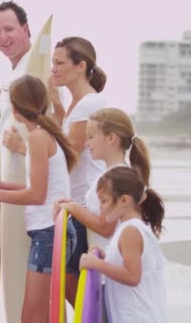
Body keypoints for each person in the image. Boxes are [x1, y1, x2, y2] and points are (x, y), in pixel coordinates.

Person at [3, 37, 108, 305]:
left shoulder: (88, 105)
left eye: (59, 63)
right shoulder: (76, 104)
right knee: (72, 289)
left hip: (83, 206)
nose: (53, 69)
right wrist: (57, 105)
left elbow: (66, 157)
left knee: (75, 290)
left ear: (81, 66)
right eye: (52, 62)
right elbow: (62, 145)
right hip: (74, 205)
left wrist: (22, 147)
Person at [0, 75, 78, 323]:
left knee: (32, 316)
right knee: (38, 314)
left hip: (49, 233)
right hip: (52, 232)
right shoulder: (42, 135)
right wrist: (0, 185)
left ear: (16, 107)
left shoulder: (37, 137)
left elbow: (36, 195)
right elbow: (37, 187)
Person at [53, 107, 152, 252]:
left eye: (91, 137)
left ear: (111, 138)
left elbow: (105, 228)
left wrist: (73, 208)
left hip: (111, 263)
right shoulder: (122, 173)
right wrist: (73, 205)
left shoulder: (118, 178)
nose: (87, 143)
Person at [79, 166, 168, 323]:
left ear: (124, 200)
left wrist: (97, 264)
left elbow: (132, 276)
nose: (101, 207)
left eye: (104, 201)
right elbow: (125, 264)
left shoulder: (131, 231)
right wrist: (105, 257)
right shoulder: (127, 228)